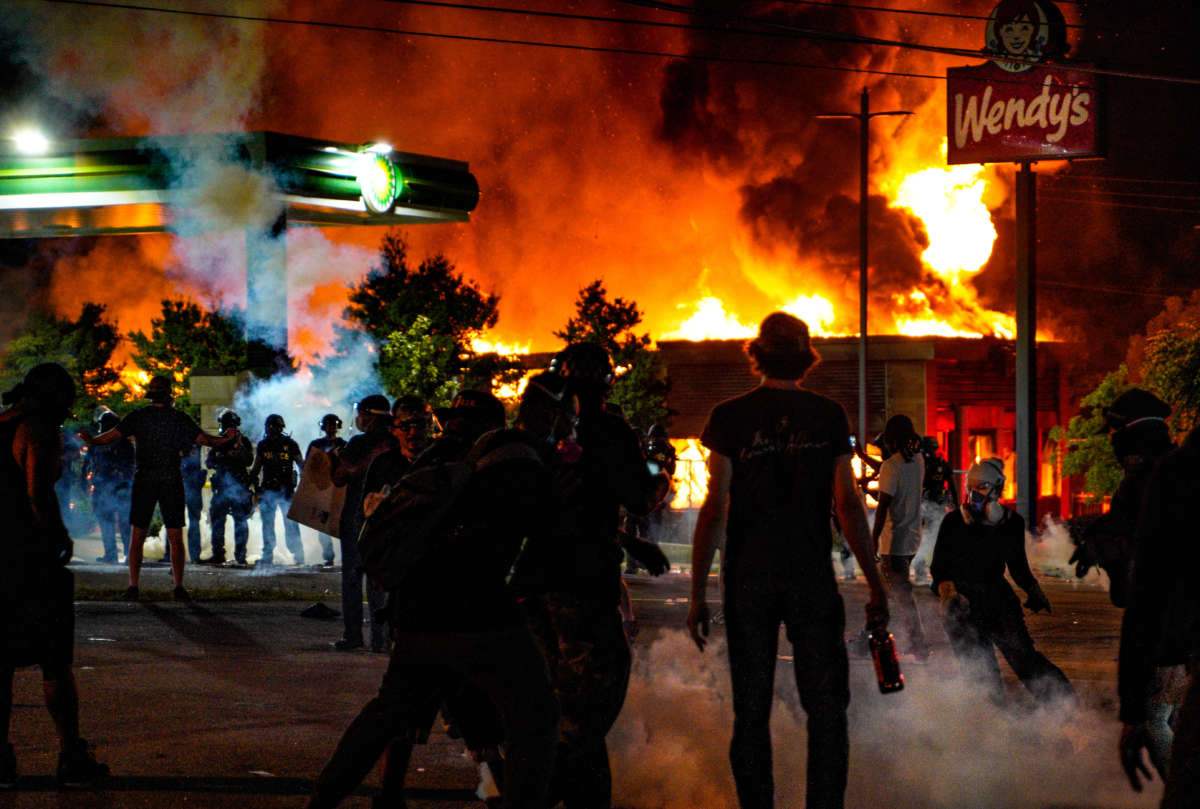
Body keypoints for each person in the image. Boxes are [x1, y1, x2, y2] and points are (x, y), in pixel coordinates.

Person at [306, 391, 559, 809]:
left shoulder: (431, 462)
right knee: (535, 712)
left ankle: (323, 801)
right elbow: (542, 536)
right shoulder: (508, 462)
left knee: (390, 713)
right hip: (481, 610)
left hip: (421, 612)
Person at [686, 312, 888, 809]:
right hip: (810, 578)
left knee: (750, 711)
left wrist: (697, 595)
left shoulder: (729, 417)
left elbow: (714, 508)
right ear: (806, 356)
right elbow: (848, 505)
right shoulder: (828, 415)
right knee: (826, 709)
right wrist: (875, 583)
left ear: (757, 353)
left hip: (748, 579)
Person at [511, 344, 670, 809]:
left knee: (556, 698)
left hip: (533, 581)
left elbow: (568, 508)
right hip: (581, 586)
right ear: (606, 380)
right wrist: (663, 470)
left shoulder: (535, 433)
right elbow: (641, 496)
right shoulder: (608, 429)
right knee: (593, 699)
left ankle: (577, 791)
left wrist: (625, 540)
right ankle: (534, 789)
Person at [0, 363, 108, 787]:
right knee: (54, 663)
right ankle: (72, 757)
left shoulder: (2, 424)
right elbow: (36, 491)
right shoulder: (37, 429)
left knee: (1, 665)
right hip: (29, 560)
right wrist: (59, 535)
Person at [930, 457, 1074, 706]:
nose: (976, 493)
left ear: (997, 490)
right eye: (972, 486)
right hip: (961, 602)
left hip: (997, 599)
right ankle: (990, 721)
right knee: (978, 671)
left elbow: (1018, 567)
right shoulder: (953, 522)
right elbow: (939, 567)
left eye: (983, 486)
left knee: (1024, 658)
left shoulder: (1011, 523)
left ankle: (1064, 704)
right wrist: (949, 594)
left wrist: (1033, 591)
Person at [78, 375, 231, 601]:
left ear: (151, 396)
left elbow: (109, 437)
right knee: (175, 535)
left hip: (145, 480)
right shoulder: (179, 418)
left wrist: (90, 439)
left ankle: (133, 586)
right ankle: (178, 586)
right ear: (169, 396)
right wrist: (225, 439)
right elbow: (206, 440)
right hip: (171, 479)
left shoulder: (139, 417)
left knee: (137, 534)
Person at [1117, 426, 1200, 808]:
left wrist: (1132, 710)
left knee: (1158, 719)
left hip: (1180, 644)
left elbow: (1149, 593)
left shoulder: (1177, 475)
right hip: (1183, 647)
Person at [329, 395, 398, 652]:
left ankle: (353, 635)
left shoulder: (359, 443)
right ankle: (382, 639)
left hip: (358, 516)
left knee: (353, 577)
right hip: (389, 515)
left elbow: (339, 477)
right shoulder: (395, 440)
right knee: (381, 577)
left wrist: (334, 458)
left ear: (368, 416)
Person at [869, 414, 929, 658]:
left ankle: (918, 644)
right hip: (912, 539)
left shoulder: (891, 466)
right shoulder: (918, 461)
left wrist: (872, 540)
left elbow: (883, 506)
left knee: (899, 595)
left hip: (893, 542)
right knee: (899, 591)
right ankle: (911, 640)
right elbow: (895, 481)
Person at [249, 414, 305, 567]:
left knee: (289, 523)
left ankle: (298, 555)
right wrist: (251, 485)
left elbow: (301, 466)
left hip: (285, 489)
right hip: (269, 490)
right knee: (270, 523)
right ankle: (270, 555)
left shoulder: (289, 444)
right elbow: (256, 468)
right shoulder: (264, 445)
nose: (271, 429)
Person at [80, 408, 133, 564]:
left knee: (114, 522)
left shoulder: (117, 443)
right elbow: (88, 465)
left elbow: (87, 467)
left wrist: (84, 482)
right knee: (114, 522)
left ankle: (119, 555)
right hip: (108, 487)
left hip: (115, 488)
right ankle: (118, 554)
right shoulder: (120, 443)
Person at [203, 409, 254, 566]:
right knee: (217, 522)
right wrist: (225, 456)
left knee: (240, 522)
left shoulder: (243, 442)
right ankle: (218, 554)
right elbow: (209, 462)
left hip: (238, 489)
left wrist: (238, 448)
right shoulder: (219, 442)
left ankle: (240, 556)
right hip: (222, 489)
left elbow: (248, 461)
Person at [912, 436, 958, 584]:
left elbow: (952, 485)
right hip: (923, 507)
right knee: (921, 540)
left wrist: (956, 505)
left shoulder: (939, 465)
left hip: (935, 508)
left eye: (930, 449)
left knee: (934, 540)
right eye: (927, 449)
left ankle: (934, 572)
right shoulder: (919, 465)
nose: (928, 452)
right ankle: (921, 571)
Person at [305, 413, 347, 567]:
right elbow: (308, 465)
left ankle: (346, 555)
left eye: (333, 424)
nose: (330, 427)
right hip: (322, 488)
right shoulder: (316, 444)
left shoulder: (343, 443)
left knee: (341, 523)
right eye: (328, 424)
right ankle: (328, 556)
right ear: (323, 426)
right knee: (322, 524)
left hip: (339, 488)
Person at [180, 444, 207, 564]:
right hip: (181, 484)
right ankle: (171, 553)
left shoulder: (195, 444)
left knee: (193, 522)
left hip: (192, 486)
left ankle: (194, 555)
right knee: (174, 522)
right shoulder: (192, 443)